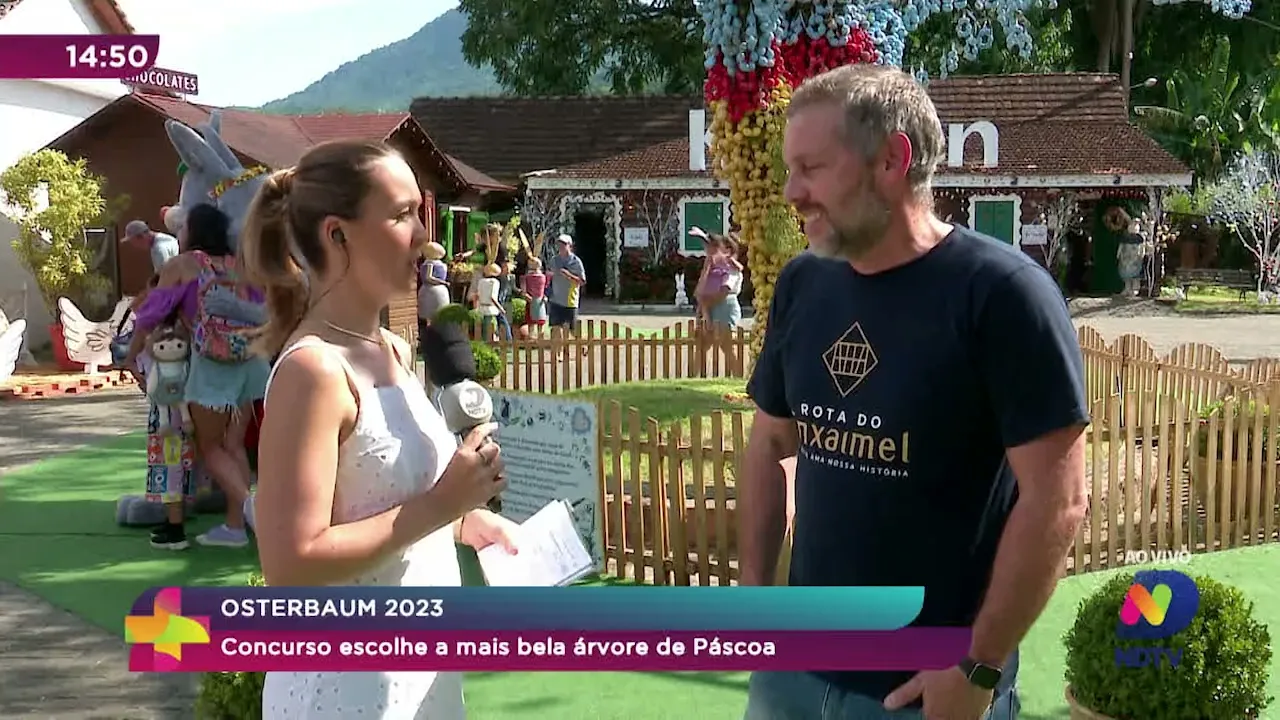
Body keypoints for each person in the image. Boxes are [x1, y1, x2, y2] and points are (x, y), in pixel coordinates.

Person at [739, 64, 1088, 720]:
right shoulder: (803, 285)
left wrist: (977, 664)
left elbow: (1058, 501)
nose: (791, 191)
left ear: (892, 159)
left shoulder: (1003, 296)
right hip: (791, 674)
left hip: (922, 690)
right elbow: (772, 440)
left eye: (811, 168)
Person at [239, 139, 520, 719]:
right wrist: (444, 505)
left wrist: (469, 520)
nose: (425, 235)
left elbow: (391, 494)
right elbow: (289, 564)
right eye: (401, 215)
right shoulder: (313, 371)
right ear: (337, 235)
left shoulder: (392, 348)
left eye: (421, 212)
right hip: (346, 693)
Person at [127, 204, 269, 550]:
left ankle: (256, 516)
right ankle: (234, 527)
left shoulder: (183, 264)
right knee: (234, 444)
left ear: (193, 231)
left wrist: (131, 356)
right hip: (252, 360)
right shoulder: (242, 266)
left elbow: (151, 313)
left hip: (213, 364)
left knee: (209, 445)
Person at [697, 233, 744, 375]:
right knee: (702, 345)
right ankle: (695, 376)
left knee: (726, 345)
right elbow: (702, 288)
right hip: (710, 306)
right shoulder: (714, 268)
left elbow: (724, 291)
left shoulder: (733, 270)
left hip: (725, 306)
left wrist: (706, 304)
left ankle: (737, 377)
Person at [546, 233, 586, 354]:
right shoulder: (554, 260)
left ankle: (583, 347)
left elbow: (582, 281)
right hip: (555, 299)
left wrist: (569, 275)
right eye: (559, 244)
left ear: (570, 246)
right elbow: (549, 274)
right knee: (556, 328)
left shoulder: (576, 262)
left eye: (564, 244)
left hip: (570, 300)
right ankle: (558, 353)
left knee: (572, 330)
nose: (561, 247)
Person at [417, 241, 450, 335]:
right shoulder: (429, 263)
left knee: (439, 315)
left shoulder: (434, 263)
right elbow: (428, 277)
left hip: (436, 291)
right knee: (430, 315)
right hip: (432, 292)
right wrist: (442, 282)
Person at [521, 256, 549, 338]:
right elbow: (524, 291)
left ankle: (538, 337)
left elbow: (543, 289)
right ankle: (532, 337)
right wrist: (526, 295)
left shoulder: (542, 277)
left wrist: (544, 296)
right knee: (532, 322)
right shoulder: (527, 277)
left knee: (538, 321)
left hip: (539, 301)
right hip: (533, 300)